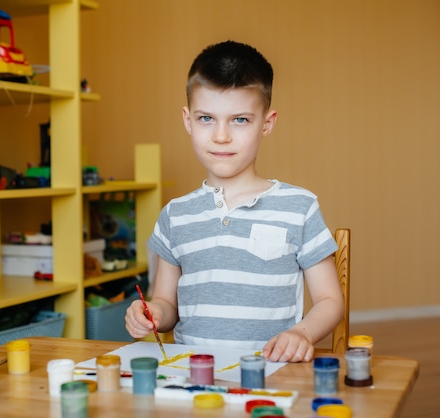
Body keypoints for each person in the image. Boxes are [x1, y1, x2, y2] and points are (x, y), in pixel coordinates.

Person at [125, 40, 344, 363]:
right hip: (193, 376)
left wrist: (302, 333)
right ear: (188, 120)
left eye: (239, 120)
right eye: (206, 119)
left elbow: (329, 300)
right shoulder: (175, 216)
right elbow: (167, 305)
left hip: (269, 374)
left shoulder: (299, 207)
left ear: (266, 123)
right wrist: (152, 312)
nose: (221, 136)